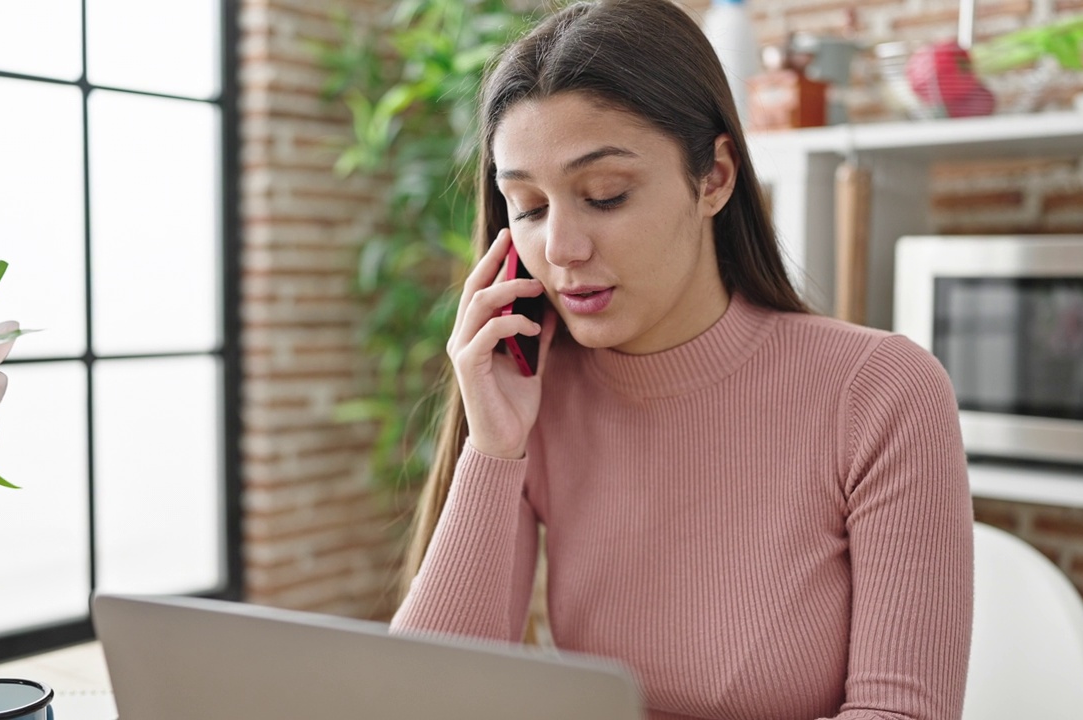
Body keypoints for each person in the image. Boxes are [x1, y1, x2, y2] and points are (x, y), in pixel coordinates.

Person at [390, 1, 974, 719]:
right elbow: (421, 699)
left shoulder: (881, 392)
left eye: (605, 195)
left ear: (715, 178)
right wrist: (493, 447)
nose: (563, 248)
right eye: (530, 206)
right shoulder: (536, 392)